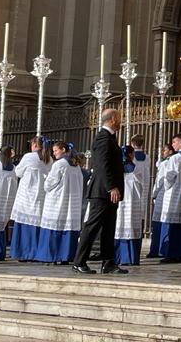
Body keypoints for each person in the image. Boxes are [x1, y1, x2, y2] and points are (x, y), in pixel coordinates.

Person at [73, 109, 126, 275]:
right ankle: (79, 261)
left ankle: (108, 262)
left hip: (108, 192)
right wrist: (111, 187)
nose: (120, 120)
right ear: (112, 119)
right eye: (119, 118)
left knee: (109, 227)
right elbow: (102, 165)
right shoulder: (103, 137)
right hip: (102, 191)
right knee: (92, 226)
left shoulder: (110, 137)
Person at [152, 133, 181, 263]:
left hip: (174, 194)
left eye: (174, 142)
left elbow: (169, 177)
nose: (173, 145)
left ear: (180, 143)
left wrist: (165, 188)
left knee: (173, 225)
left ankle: (172, 254)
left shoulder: (175, 158)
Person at [38, 141, 83, 264]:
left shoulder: (60, 165)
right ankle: (66, 256)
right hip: (71, 202)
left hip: (57, 201)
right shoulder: (76, 165)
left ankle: (52, 256)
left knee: (55, 225)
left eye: (55, 150)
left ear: (63, 149)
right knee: (67, 227)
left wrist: (45, 181)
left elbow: (49, 184)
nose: (54, 153)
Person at [10, 137, 52, 261]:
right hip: (41, 195)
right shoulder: (49, 159)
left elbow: (18, 172)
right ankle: (36, 253)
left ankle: (23, 253)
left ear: (34, 144)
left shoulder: (29, 157)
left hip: (27, 194)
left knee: (24, 224)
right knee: (37, 223)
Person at [114, 145, 144, 266]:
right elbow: (141, 186)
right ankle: (131, 257)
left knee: (119, 225)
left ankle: (118, 257)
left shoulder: (115, 168)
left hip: (119, 201)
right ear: (131, 155)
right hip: (132, 202)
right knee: (130, 225)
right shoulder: (136, 168)